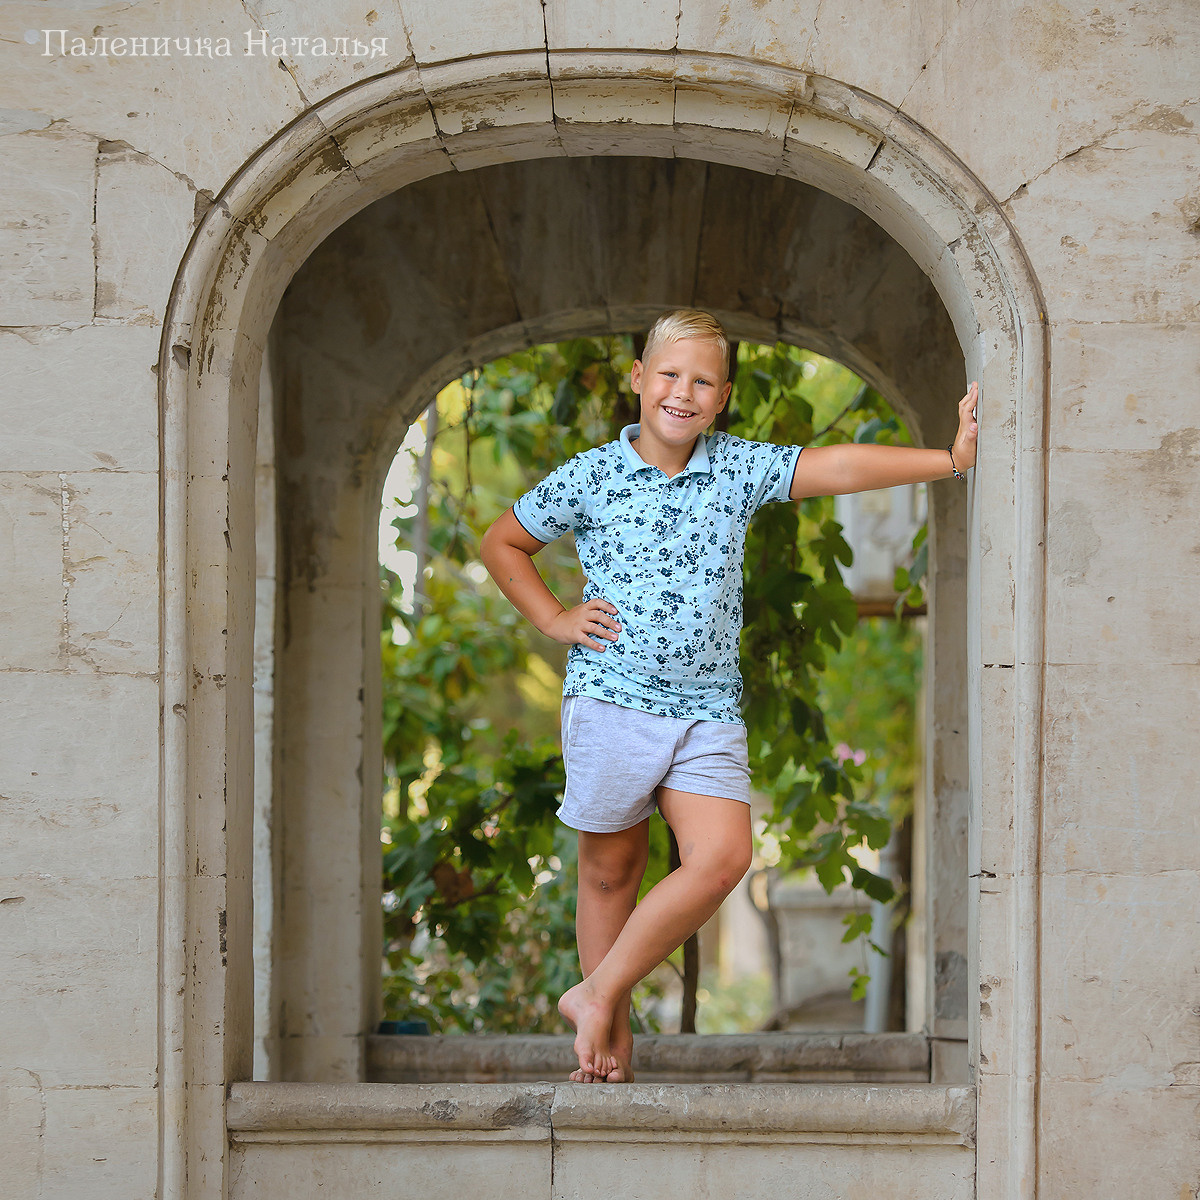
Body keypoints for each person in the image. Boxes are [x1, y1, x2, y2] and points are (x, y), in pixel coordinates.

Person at [480, 309, 978, 1083]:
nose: (683, 392)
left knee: (721, 859)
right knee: (611, 871)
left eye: (702, 381)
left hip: (707, 709)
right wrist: (552, 616)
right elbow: (501, 542)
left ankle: (597, 992)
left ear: (723, 397)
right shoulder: (592, 475)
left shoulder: (738, 467)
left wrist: (949, 458)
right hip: (612, 697)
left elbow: (839, 467)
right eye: (669, 375)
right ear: (638, 380)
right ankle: (609, 1052)